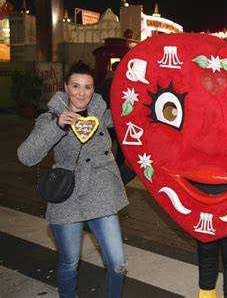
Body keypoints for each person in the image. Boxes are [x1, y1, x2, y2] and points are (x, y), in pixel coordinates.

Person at [17, 60, 129, 298]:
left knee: (118, 264)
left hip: (100, 191)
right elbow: (26, 156)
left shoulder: (101, 112)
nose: (82, 93)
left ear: (94, 89)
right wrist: (58, 125)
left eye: (88, 87)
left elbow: (130, 117)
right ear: (66, 87)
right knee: (69, 262)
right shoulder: (50, 118)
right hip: (67, 194)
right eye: (76, 86)